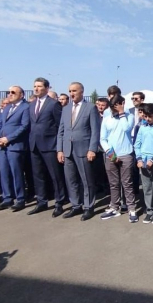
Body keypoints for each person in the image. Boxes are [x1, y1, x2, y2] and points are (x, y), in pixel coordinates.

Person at [57, 82, 101, 221]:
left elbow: (95, 130)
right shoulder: (66, 108)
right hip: (67, 150)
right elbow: (61, 131)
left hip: (83, 149)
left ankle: (88, 207)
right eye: (70, 91)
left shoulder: (90, 107)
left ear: (82, 91)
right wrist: (59, 150)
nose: (71, 93)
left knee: (86, 180)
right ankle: (76, 205)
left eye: (74, 91)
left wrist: (92, 149)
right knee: (70, 180)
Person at [27, 78, 66, 218]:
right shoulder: (31, 105)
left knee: (55, 176)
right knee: (38, 176)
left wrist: (59, 147)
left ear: (47, 88)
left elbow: (60, 126)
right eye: (34, 86)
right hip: (34, 145)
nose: (36, 89)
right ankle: (41, 202)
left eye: (39, 86)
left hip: (50, 145)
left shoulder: (54, 104)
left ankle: (59, 203)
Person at [99, 94, 137, 222]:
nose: (113, 109)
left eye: (117, 106)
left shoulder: (129, 117)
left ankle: (131, 209)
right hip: (111, 155)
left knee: (127, 183)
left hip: (126, 154)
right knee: (113, 184)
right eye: (112, 107)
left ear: (122, 103)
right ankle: (114, 207)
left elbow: (127, 129)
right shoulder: (107, 119)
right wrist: (110, 153)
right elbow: (102, 139)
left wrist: (121, 113)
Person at [0, 86, 30, 212]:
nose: (10, 94)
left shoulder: (26, 107)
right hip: (1, 146)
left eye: (13, 92)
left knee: (16, 173)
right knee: (4, 173)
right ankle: (7, 198)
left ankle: (20, 199)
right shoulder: (7, 107)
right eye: (8, 92)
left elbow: (24, 126)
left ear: (21, 95)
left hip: (15, 146)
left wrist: (8, 138)